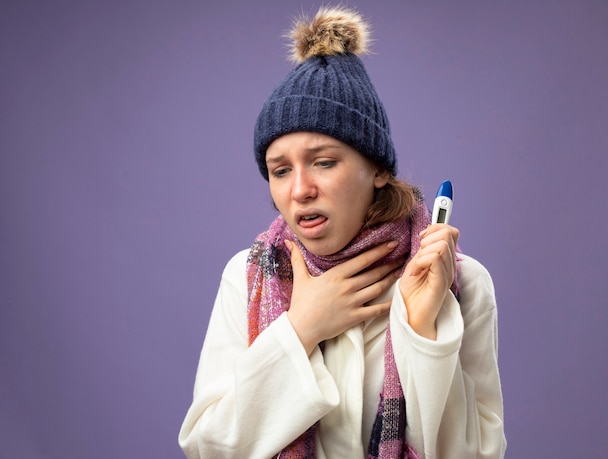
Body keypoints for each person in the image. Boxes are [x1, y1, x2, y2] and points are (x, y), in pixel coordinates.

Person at [178, 5, 506, 458]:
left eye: (324, 162)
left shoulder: (462, 285)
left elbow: (475, 453)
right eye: (279, 170)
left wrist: (422, 328)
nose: (300, 190)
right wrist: (301, 329)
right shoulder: (248, 277)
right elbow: (206, 448)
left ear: (376, 169)